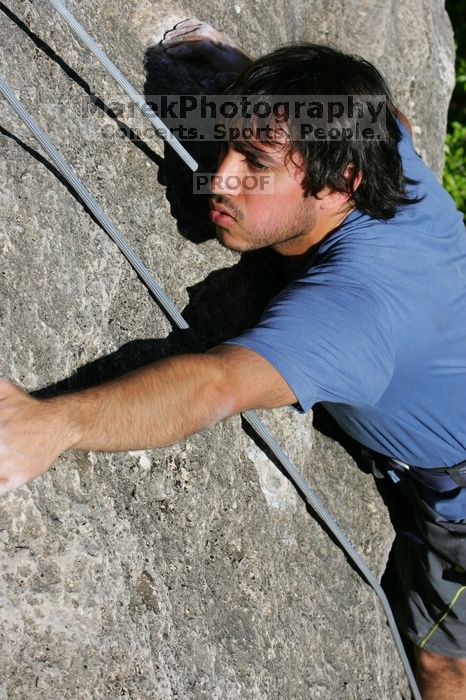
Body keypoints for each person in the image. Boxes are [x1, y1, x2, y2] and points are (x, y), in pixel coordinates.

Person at [1, 17, 466, 698]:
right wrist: (246, 73)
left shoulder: (354, 311)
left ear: (340, 186)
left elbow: (215, 384)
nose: (218, 178)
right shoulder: (382, 154)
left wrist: (51, 424)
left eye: (257, 165)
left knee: (441, 662)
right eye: (231, 144)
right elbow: (391, 115)